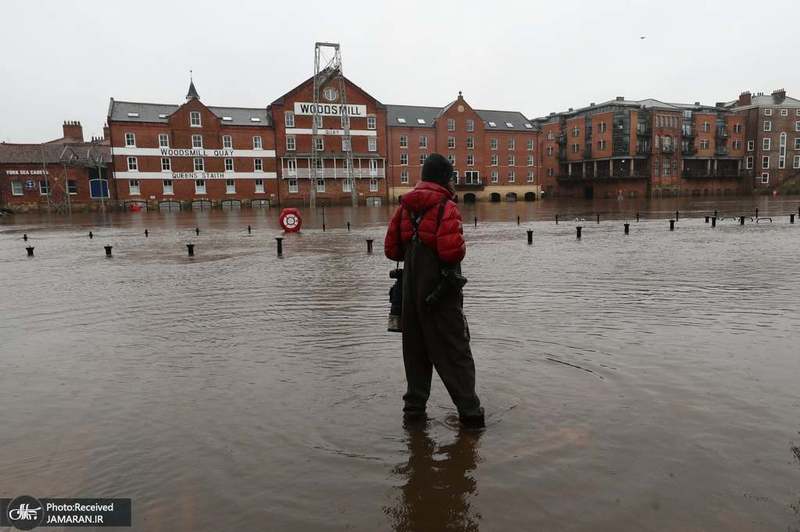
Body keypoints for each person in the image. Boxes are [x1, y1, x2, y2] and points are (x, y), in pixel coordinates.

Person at [384, 153, 484, 429]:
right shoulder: (445, 206)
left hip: (411, 294)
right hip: (440, 293)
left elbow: (391, 249)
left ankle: (414, 420)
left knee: (415, 354)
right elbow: (452, 253)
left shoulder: (404, 206)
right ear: (445, 178)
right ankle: (471, 417)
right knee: (455, 351)